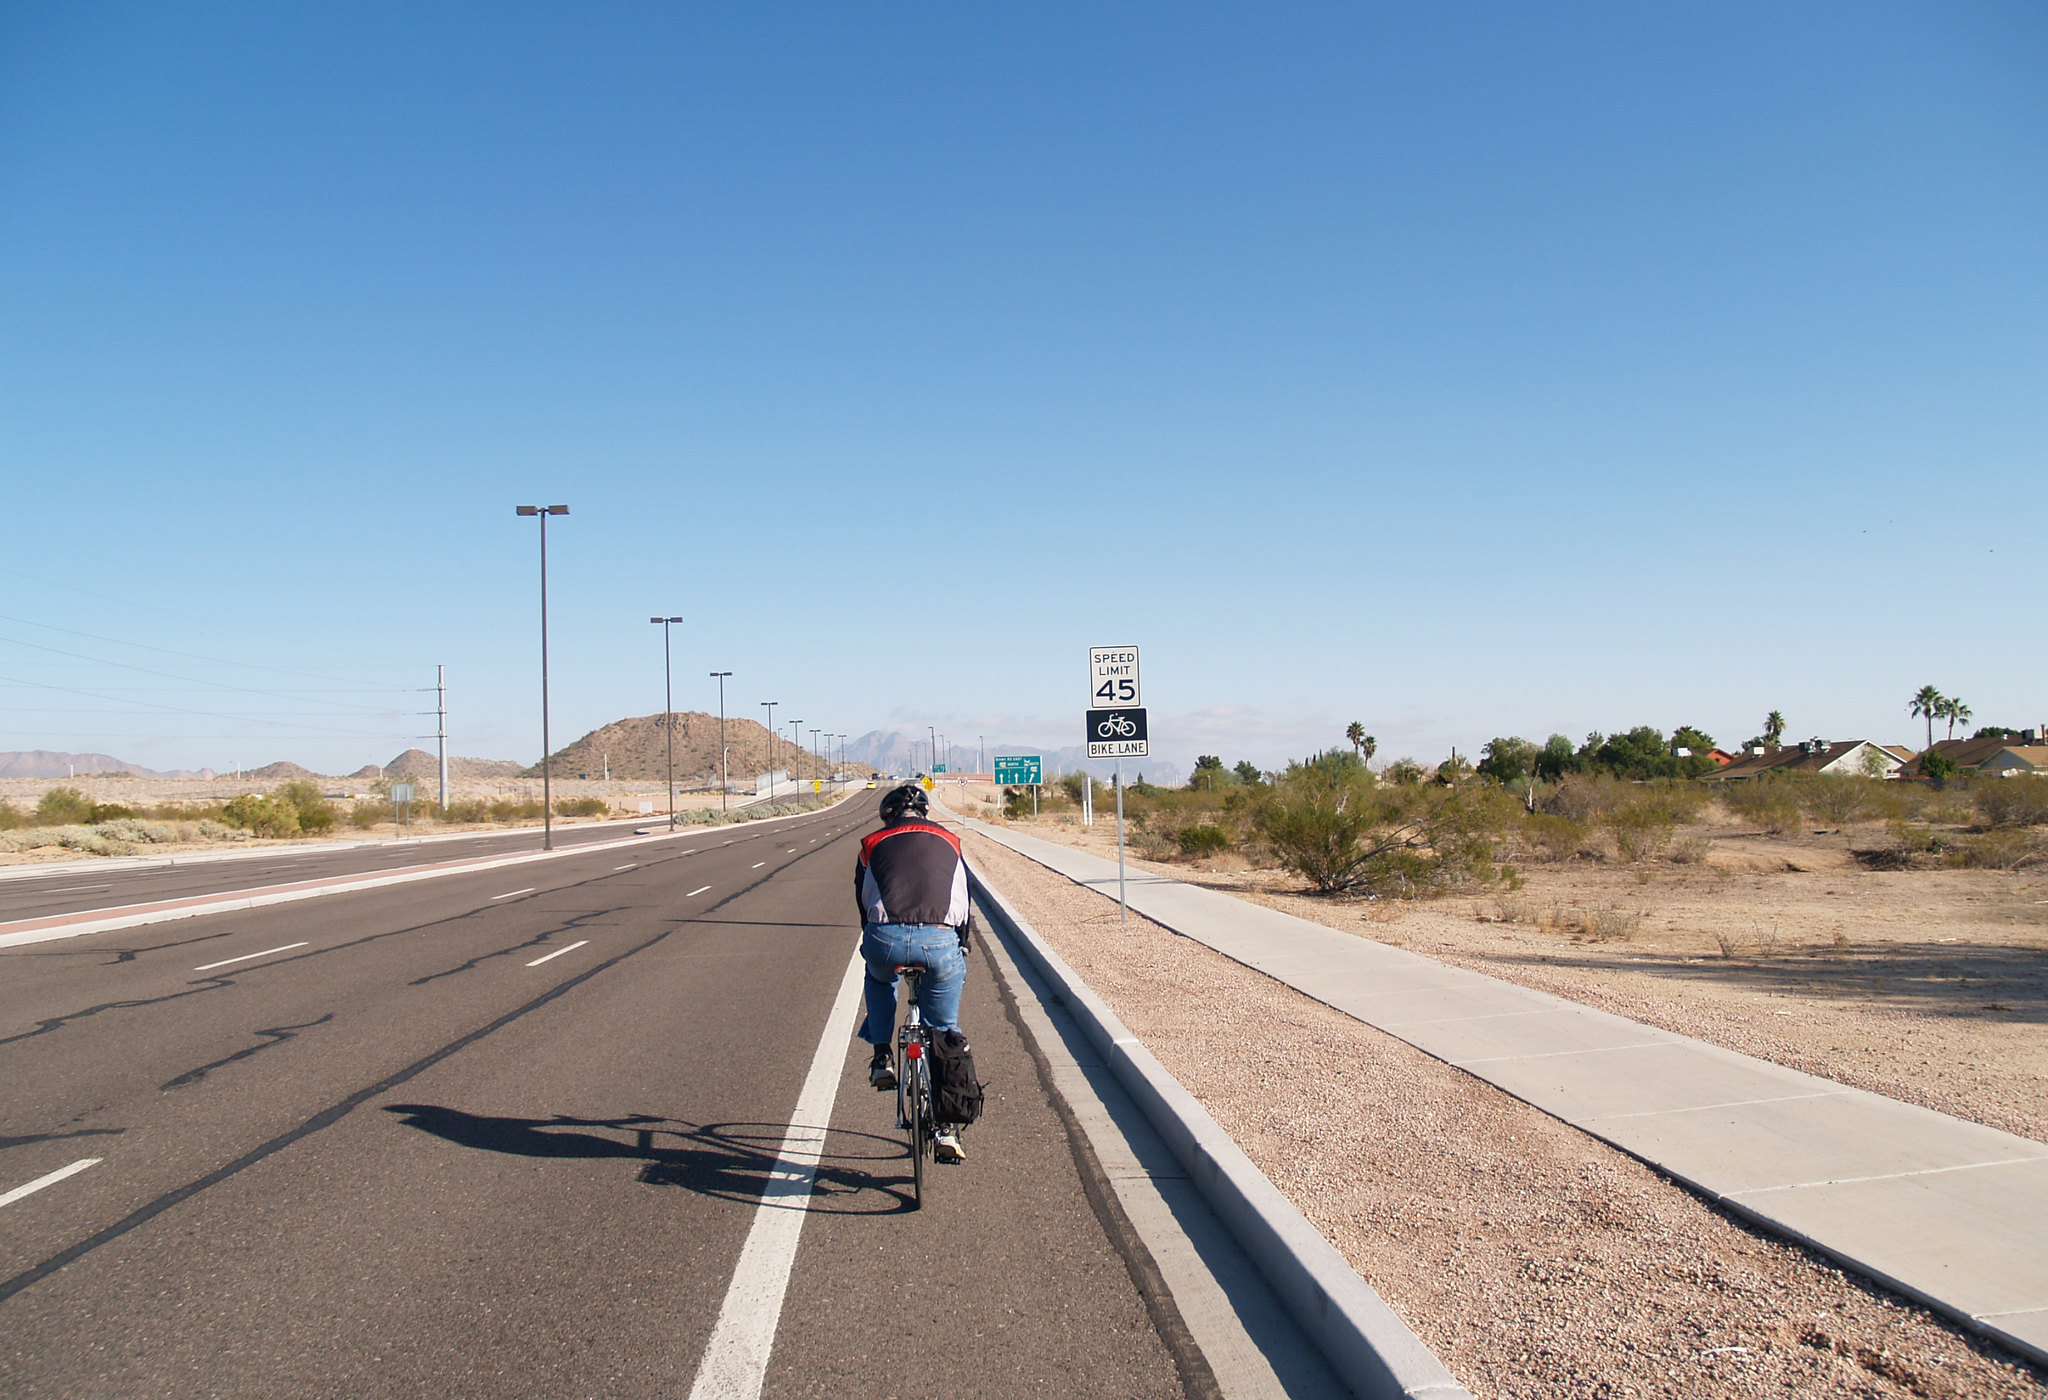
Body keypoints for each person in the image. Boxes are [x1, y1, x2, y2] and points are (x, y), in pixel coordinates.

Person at [854, 782, 972, 1163]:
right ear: (924, 814)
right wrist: (962, 944)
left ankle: (882, 1056)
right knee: (945, 1029)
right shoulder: (951, 842)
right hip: (939, 942)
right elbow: (964, 902)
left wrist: (875, 938)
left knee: (878, 977)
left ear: (888, 816)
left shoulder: (871, 844)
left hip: (885, 941)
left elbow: (863, 902)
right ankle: (947, 1129)